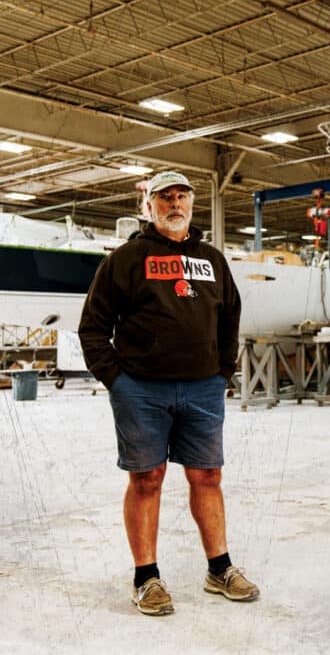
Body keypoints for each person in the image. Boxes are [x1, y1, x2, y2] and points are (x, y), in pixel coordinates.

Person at [79, 170, 258, 616]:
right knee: (147, 479)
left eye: (182, 197)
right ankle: (146, 577)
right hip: (140, 390)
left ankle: (220, 569)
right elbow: (93, 327)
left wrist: (223, 372)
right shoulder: (124, 260)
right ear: (149, 206)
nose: (174, 204)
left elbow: (231, 316)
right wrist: (116, 380)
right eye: (165, 198)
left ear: (192, 204)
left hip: (203, 388)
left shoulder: (213, 260)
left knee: (208, 477)